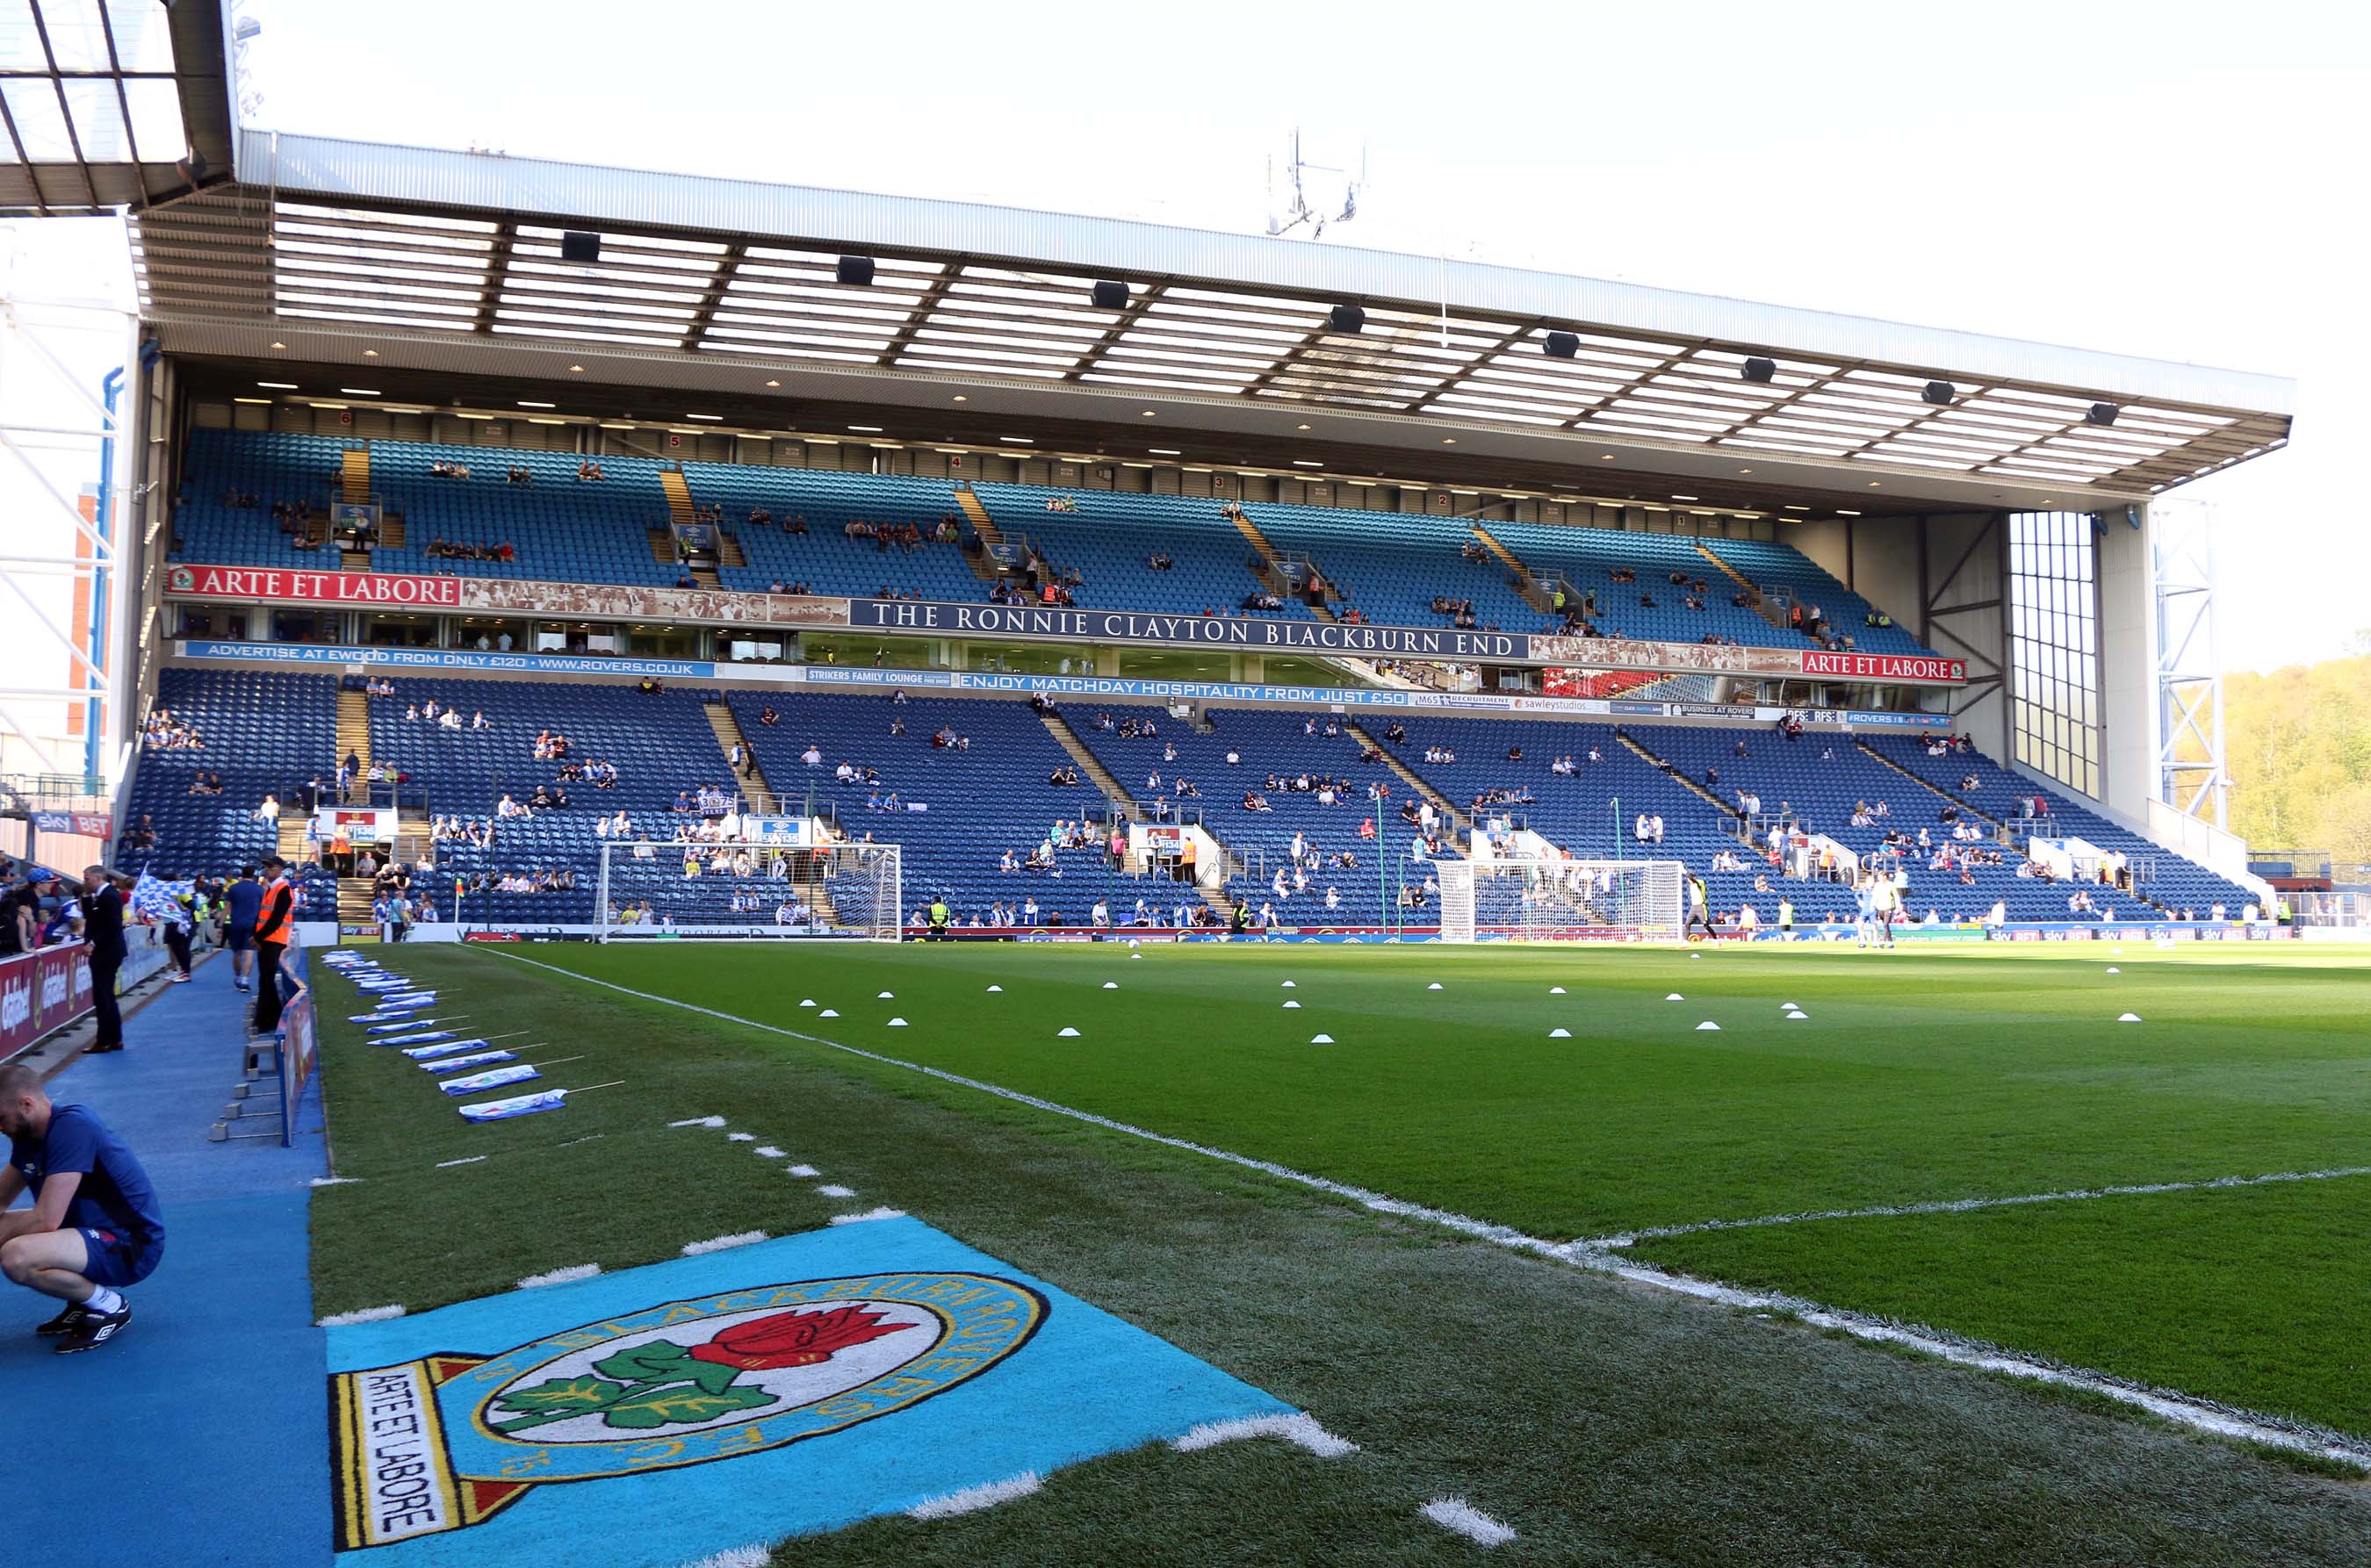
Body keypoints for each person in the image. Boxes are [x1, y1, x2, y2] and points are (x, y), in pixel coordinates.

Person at [0, 1061, 163, 1352]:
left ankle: (107, 1307)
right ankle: (80, 1302)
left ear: (26, 1104)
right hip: (89, 1232)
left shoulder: (73, 1126)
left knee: (16, 1257)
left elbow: (46, 1221)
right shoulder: (26, 1135)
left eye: (0, 1118)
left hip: (131, 1243)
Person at [79, 867, 126, 1054]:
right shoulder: (100, 896)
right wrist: (86, 898)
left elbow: (113, 926)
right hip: (106, 952)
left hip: (107, 953)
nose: (85, 882)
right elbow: (91, 918)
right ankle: (114, 1038)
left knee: (103, 997)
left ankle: (104, 1040)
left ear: (98, 878)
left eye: (87, 879)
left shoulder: (109, 896)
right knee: (107, 997)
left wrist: (94, 943)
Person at [251, 858, 296, 1037]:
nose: (266, 871)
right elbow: (265, 916)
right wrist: (258, 937)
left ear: (278, 869)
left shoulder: (283, 889)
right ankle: (270, 1018)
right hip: (268, 939)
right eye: (266, 868)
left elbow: (276, 919)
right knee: (265, 980)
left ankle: (268, 1019)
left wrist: (257, 937)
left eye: (270, 868)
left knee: (266, 980)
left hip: (274, 940)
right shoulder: (272, 889)